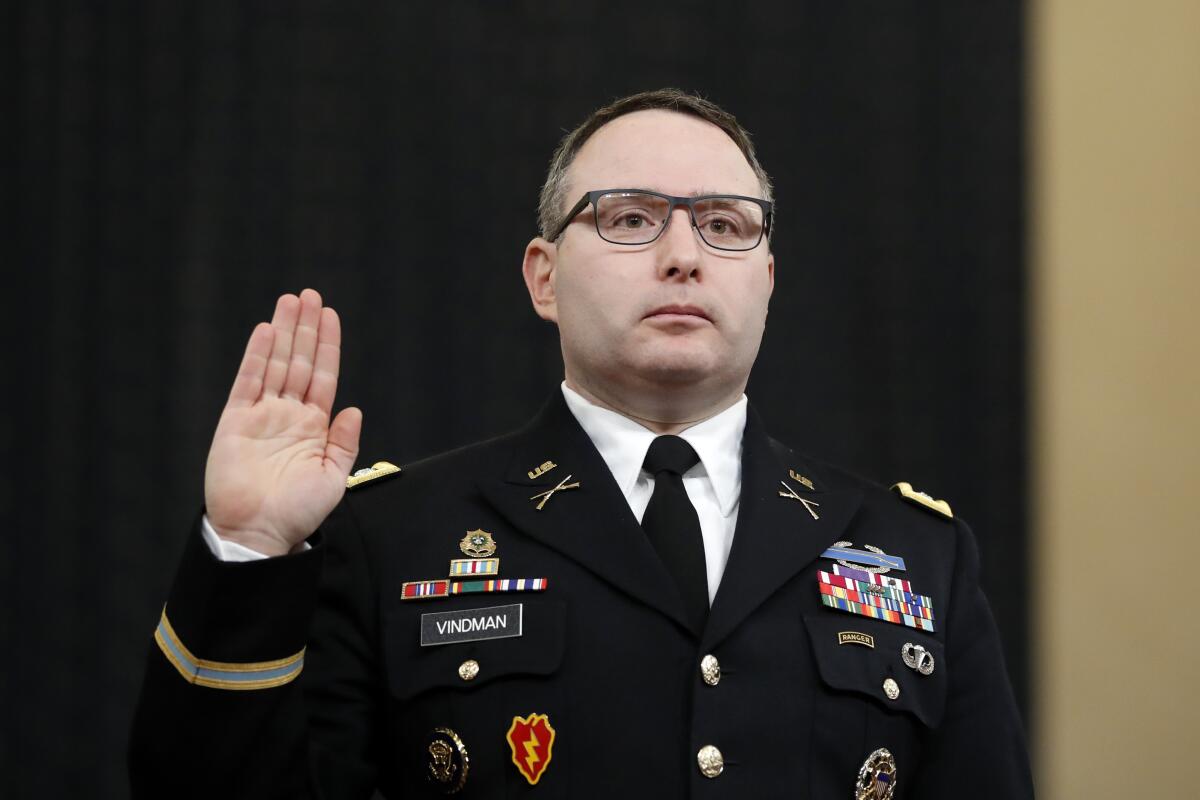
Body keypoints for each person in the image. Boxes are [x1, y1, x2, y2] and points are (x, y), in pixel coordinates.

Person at [129, 89, 1034, 799]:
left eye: (723, 224)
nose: (683, 254)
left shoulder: (918, 556)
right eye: (631, 218)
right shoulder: (394, 536)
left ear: (766, 277)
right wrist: (246, 551)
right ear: (544, 276)